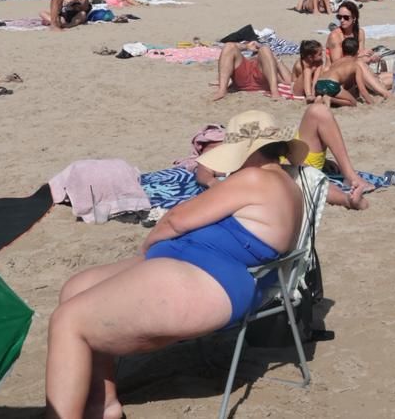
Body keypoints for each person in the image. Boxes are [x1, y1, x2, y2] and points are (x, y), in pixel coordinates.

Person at [44, 110, 306, 419]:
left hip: (210, 278)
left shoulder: (255, 177)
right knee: (77, 288)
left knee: (68, 321)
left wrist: (148, 246)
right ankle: (102, 403)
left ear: (246, 150)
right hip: (201, 269)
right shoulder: (284, 181)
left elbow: (178, 219)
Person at [211, 41, 282, 101]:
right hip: (244, 74)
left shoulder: (269, 58)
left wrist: (275, 58)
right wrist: (247, 47)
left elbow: (288, 80)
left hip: (261, 76)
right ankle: (222, 90)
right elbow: (230, 46)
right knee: (229, 45)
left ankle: (274, 91)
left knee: (265, 49)